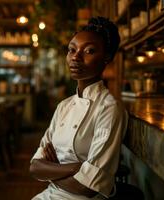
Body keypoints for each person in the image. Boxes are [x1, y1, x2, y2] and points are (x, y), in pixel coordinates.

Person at [29, 16, 128, 200]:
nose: (76, 57)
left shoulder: (109, 109)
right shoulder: (63, 106)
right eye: (71, 50)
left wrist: (53, 170)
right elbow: (35, 167)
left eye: (89, 51)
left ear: (107, 57)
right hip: (50, 194)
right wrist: (75, 168)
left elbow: (88, 188)